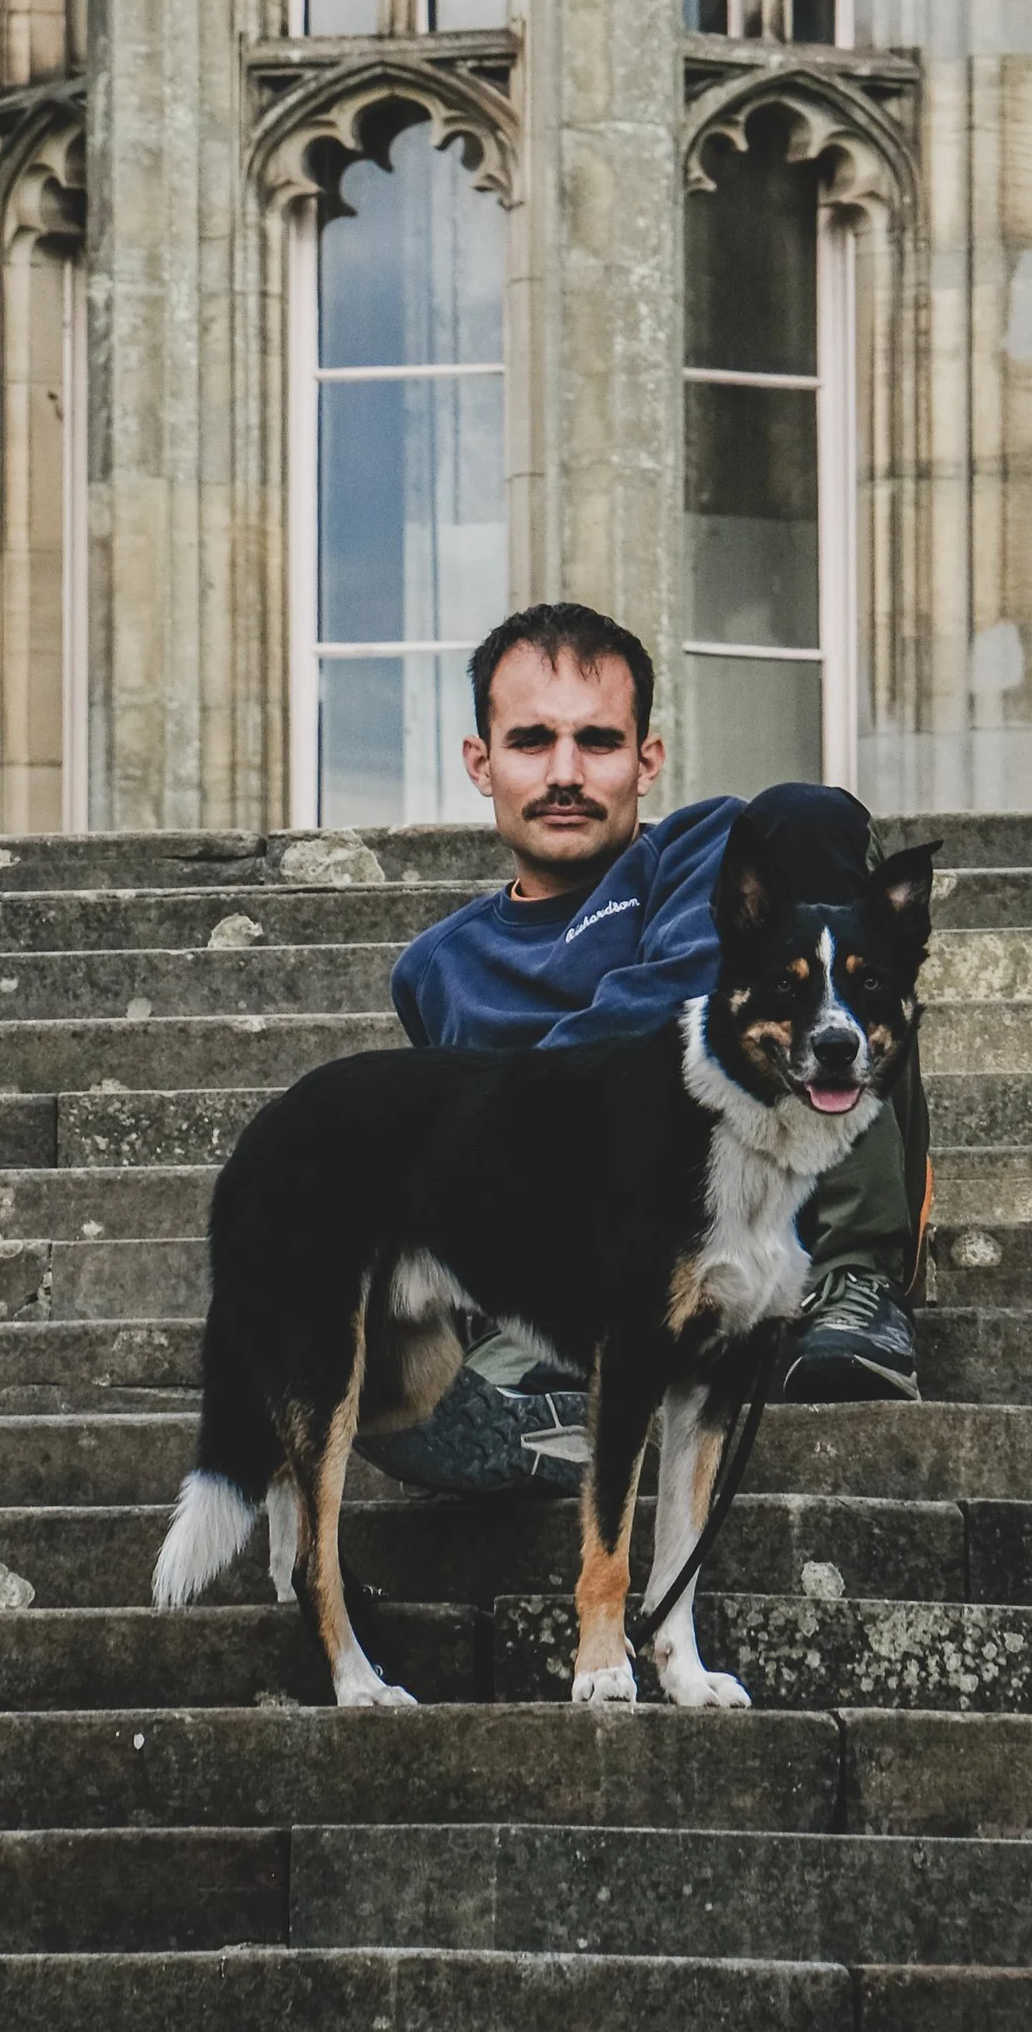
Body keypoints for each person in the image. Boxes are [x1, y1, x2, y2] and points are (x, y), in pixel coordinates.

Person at [367, 599, 926, 1498]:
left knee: (807, 842)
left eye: (597, 741)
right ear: (481, 762)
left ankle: (853, 1286)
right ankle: (529, 1389)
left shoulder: (702, 855)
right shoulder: (436, 969)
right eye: (530, 742)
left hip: (768, 1198)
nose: (564, 773)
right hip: (577, 1258)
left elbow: (665, 1013)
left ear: (646, 759)